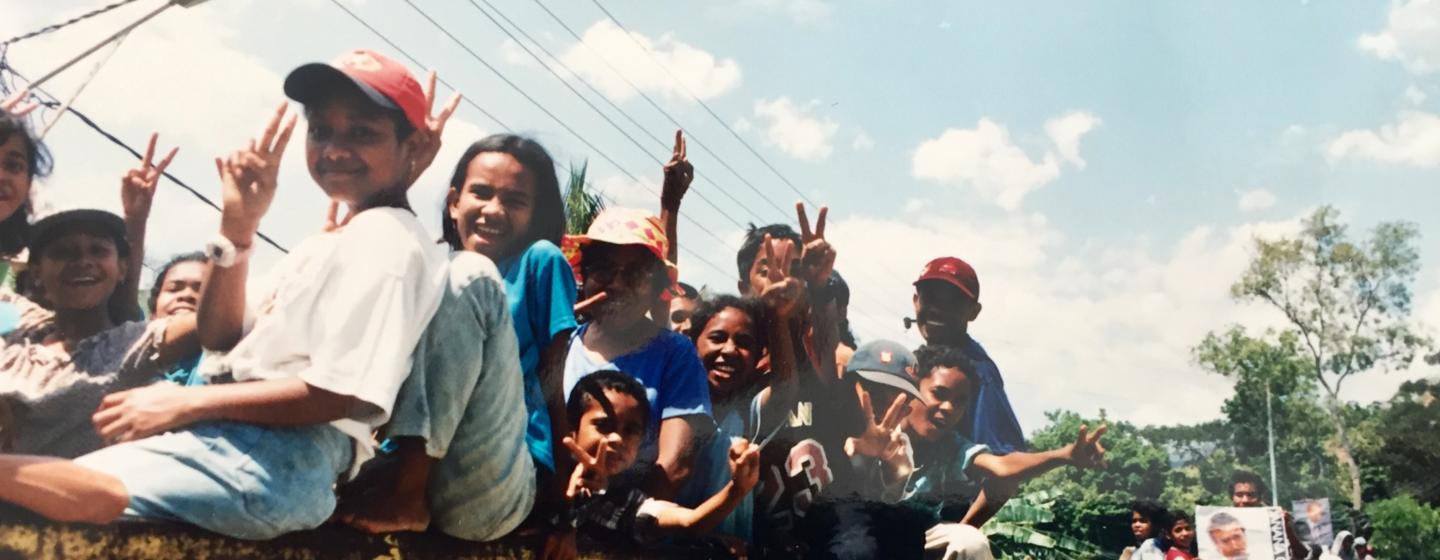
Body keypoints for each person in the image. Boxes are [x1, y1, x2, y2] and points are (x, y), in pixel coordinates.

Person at [0, 48, 457, 539]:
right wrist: (237, 229)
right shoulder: (334, 242)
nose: (335, 150)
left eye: (363, 133)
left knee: (68, 492)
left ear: (413, 145)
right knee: (43, 487)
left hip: (272, 454)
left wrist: (187, 405)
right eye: (321, 131)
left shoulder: (387, 239)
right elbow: (218, 334)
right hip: (235, 443)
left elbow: (340, 392)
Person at [395, 133, 572, 545]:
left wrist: (564, 514)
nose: (494, 210)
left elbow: (554, 384)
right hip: (414, 464)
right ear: (454, 202)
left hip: (495, 474)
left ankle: (404, 494)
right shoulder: (434, 269)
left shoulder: (538, 261)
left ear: (535, 214)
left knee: (469, 273)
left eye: (515, 200)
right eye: (481, 193)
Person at [837, 342, 1108, 560]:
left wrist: (1063, 455)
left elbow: (1002, 467)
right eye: (939, 394)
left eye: (960, 402)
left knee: (970, 542)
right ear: (912, 391)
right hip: (862, 534)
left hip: (916, 539)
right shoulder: (870, 429)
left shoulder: (951, 447)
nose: (948, 408)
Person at [0, 208, 200, 457]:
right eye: (63, 252)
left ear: (122, 268)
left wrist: (234, 238)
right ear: (36, 273)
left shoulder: (132, 346)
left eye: (98, 250)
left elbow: (216, 323)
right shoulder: (21, 324)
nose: (83, 261)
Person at [562, 208, 712, 501]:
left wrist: (609, 516)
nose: (617, 285)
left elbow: (675, 466)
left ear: (657, 289)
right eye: (604, 269)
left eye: (635, 274)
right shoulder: (563, 345)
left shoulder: (676, 355)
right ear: (585, 277)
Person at [559, 370, 760, 546]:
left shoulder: (626, 503)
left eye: (630, 431)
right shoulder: (547, 480)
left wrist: (737, 488)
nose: (617, 439)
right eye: (603, 425)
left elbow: (689, 522)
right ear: (572, 428)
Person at [908, 256, 1026, 528]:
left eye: (952, 303)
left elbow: (1007, 468)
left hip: (939, 522)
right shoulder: (917, 362)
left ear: (973, 312)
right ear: (915, 301)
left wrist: (963, 530)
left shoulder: (977, 374)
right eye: (930, 297)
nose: (937, 309)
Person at [678, 288, 803, 545]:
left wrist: (777, 317)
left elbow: (785, 389)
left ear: (758, 357)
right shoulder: (671, 403)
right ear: (693, 342)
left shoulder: (746, 415)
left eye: (744, 343)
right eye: (717, 338)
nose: (729, 350)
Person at [147, 252, 208, 386]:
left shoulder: (231, 360)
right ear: (153, 312)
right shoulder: (131, 359)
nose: (187, 295)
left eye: (203, 290)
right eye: (173, 289)